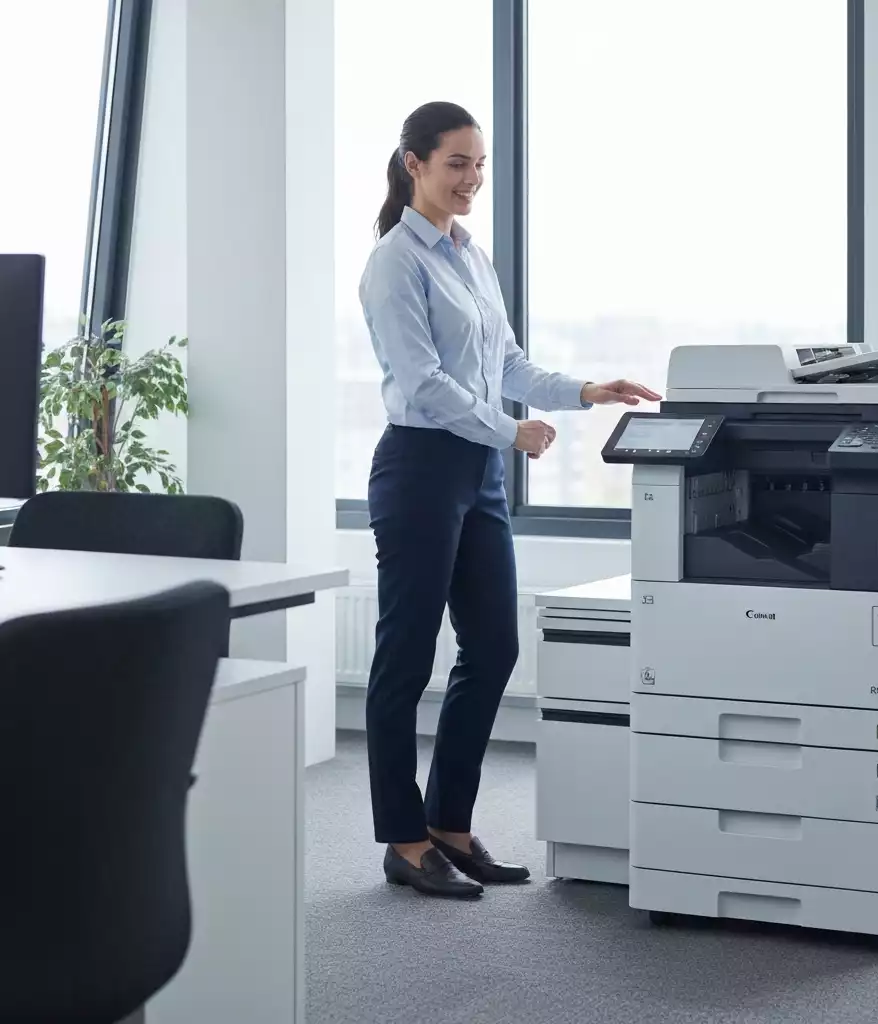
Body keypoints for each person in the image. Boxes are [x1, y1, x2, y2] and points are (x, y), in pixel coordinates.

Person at [358, 100, 661, 899]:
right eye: (457, 163)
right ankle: (403, 839)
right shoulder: (395, 262)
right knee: (404, 657)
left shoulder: (471, 256)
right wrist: (510, 431)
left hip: (480, 473)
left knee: (494, 647)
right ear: (414, 163)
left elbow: (510, 366)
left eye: (480, 164)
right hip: (420, 469)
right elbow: (424, 382)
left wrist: (588, 390)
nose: (473, 179)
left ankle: (449, 825)